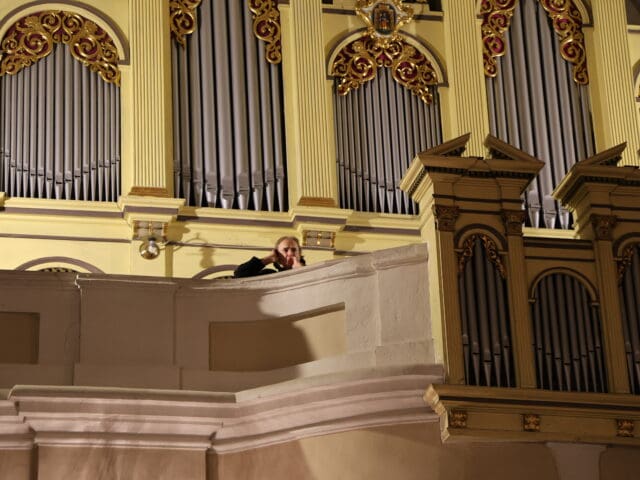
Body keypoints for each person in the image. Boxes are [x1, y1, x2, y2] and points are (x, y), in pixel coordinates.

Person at [233, 236, 306, 278]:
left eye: (294, 250)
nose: (290, 253)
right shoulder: (269, 274)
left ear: (299, 253)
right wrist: (269, 259)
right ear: (277, 254)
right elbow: (239, 274)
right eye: (285, 250)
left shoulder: (311, 272)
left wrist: (301, 270)